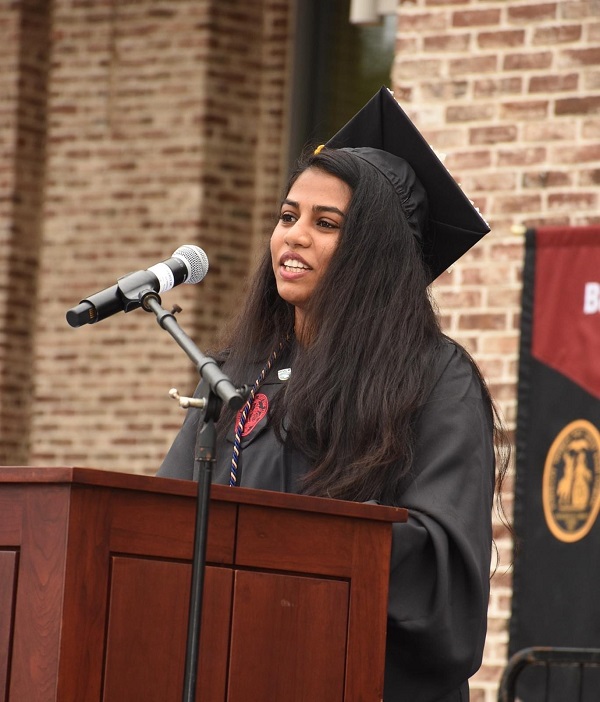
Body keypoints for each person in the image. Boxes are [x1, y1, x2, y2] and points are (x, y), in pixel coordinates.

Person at [158, 87, 509, 701]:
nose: (293, 237)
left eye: (326, 224)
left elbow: (438, 563)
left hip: (359, 678)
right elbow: (160, 523)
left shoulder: (434, 378)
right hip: (233, 670)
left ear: (374, 254)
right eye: (288, 216)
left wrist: (286, 545)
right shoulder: (237, 371)